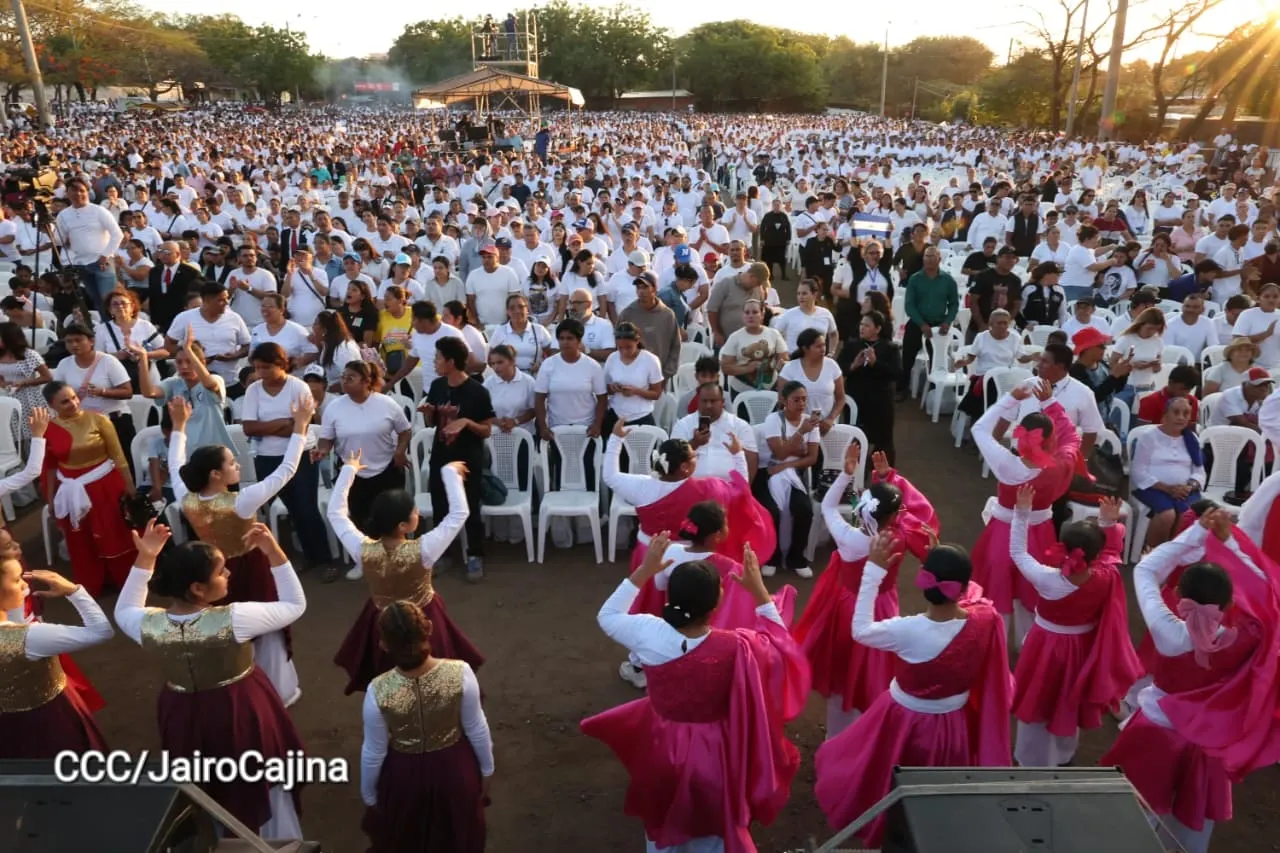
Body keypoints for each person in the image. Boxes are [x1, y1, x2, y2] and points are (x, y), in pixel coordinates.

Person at [580, 533, 809, 853]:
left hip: (661, 745)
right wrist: (759, 592)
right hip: (715, 752)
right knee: (713, 830)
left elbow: (608, 615)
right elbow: (778, 644)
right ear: (717, 601)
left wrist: (645, 571)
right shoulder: (735, 646)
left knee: (662, 822)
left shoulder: (647, 632)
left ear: (671, 596)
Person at [813, 535, 1012, 849]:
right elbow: (975, 598)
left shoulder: (906, 630)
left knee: (883, 779)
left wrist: (873, 571)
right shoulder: (987, 620)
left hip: (902, 721)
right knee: (939, 791)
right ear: (960, 588)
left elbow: (860, 630)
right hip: (951, 724)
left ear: (924, 583)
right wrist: (944, 561)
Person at [114, 520, 307, 840]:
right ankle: (274, 840)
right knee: (259, 777)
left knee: (203, 784)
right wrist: (273, 552)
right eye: (220, 572)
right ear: (198, 589)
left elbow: (124, 609)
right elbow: (295, 605)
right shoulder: (234, 619)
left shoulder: (146, 624)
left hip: (182, 715)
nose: (229, 573)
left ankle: (216, 835)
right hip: (240, 709)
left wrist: (145, 558)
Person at [1101, 512, 1280, 853]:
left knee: (1138, 815)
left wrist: (1197, 532)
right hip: (1208, 740)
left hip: (1155, 730)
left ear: (1179, 594)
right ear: (1229, 604)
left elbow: (1146, 569)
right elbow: (1269, 590)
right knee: (1192, 826)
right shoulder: (1250, 634)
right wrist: (1229, 542)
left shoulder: (1167, 630)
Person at [167, 394, 313, 705]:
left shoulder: (187, 499)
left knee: (226, 627)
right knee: (267, 625)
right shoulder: (242, 501)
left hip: (212, 570)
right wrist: (301, 425)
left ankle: (233, 682)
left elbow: (174, 465)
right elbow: (286, 470)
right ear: (215, 475)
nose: (237, 464)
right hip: (250, 566)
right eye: (231, 463)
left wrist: (179, 426)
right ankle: (279, 691)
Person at [794, 443, 939, 739]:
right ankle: (865, 732)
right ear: (892, 515)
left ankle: (836, 736)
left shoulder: (848, 538)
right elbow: (917, 513)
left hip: (846, 606)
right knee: (873, 671)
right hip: (882, 605)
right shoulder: (899, 537)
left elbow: (829, 507)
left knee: (844, 670)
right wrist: (890, 479)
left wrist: (846, 476)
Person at [329, 450, 483, 693]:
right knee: (435, 666)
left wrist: (349, 469)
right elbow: (459, 514)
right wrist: (450, 473)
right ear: (403, 525)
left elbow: (335, 514)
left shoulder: (362, 550)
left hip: (382, 617)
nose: (418, 514)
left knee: (388, 669)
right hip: (424, 614)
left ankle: (395, 703)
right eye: (414, 512)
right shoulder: (424, 550)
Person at [1008, 486, 1141, 766]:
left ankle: (1030, 757)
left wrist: (1021, 513)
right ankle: (1064, 754)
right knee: (1068, 700)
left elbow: (1018, 553)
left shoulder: (1048, 579)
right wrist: (1108, 523)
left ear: (1063, 546)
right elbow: (1112, 551)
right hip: (1080, 648)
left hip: (1045, 646)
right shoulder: (1107, 575)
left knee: (1038, 699)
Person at [360, 599, 493, 853]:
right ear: (429, 628)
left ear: (384, 645)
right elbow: (476, 727)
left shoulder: (377, 690)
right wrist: (487, 770)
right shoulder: (461, 673)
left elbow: (373, 751)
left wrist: (369, 795)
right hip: (455, 769)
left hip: (403, 777)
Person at [970, 380, 1082, 646]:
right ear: (1050, 439)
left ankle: (993, 647)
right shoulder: (1061, 463)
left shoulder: (1006, 465)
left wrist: (1010, 398)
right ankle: (1028, 648)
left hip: (1002, 534)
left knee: (997, 591)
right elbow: (1072, 436)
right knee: (1031, 591)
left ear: (1020, 435)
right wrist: (1050, 404)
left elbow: (980, 428)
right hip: (1040, 533)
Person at [0, 556, 111, 758]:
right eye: (17, 580)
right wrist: (73, 591)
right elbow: (101, 631)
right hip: (52, 720)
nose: (25, 584)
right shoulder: (30, 637)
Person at [41, 380, 138, 597]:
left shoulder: (98, 419)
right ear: (52, 405)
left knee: (113, 534)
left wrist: (130, 487)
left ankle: (124, 581)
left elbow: (118, 456)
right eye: (65, 402)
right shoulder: (48, 429)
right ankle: (93, 581)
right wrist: (50, 498)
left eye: (74, 397)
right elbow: (48, 467)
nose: (73, 403)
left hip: (104, 486)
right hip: (70, 491)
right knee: (82, 540)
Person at [240, 342, 333, 570]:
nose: (261, 373)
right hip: (267, 456)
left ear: (281, 365)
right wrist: (284, 423)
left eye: (266, 367)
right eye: (258, 368)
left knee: (307, 508)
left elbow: (302, 424)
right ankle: (306, 556)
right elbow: (249, 428)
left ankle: (323, 560)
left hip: (300, 455)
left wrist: (274, 426)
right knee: (291, 509)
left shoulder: (298, 388)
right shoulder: (254, 390)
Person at [420, 337, 494, 581]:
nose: (435, 361)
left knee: (469, 507)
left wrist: (466, 422)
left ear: (451, 361)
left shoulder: (477, 391)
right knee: (440, 506)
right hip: (441, 455)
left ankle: (475, 554)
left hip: (467, 459)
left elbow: (486, 430)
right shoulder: (437, 386)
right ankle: (444, 554)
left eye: (438, 357)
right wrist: (429, 414)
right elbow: (432, 424)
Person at [316, 362, 413, 544]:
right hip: (353, 472)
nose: (344, 381)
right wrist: (322, 451)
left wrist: (400, 451)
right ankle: (365, 559)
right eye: (343, 377)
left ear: (366, 381)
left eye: (350, 378)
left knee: (391, 518)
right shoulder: (335, 407)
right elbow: (326, 438)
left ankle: (398, 558)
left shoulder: (386, 403)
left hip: (387, 470)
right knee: (359, 518)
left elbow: (405, 431)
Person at [754, 381, 820, 578]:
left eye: (804, 400)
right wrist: (800, 439)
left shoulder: (810, 423)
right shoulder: (773, 419)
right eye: (796, 400)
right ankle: (772, 557)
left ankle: (796, 558)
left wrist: (786, 464)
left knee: (804, 510)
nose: (801, 404)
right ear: (784, 401)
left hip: (791, 473)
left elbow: (812, 458)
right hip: (768, 473)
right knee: (771, 511)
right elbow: (780, 452)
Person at [135, 329, 231, 452]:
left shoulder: (216, 379)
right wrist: (143, 358)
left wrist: (189, 350)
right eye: (179, 362)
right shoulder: (174, 383)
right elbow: (149, 392)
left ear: (202, 363)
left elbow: (210, 385)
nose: (184, 366)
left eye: (189, 361)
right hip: (186, 451)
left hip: (214, 452)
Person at [1131, 397, 1205, 551]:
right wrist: (1167, 488)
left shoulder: (1191, 439)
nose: (1181, 417)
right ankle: (1152, 555)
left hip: (1185, 490)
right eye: (1176, 412)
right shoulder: (1149, 437)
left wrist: (1189, 487)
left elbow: (1199, 471)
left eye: (1186, 413)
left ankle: (1175, 556)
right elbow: (1138, 471)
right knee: (1167, 515)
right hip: (1154, 488)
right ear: (1165, 415)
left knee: (1187, 514)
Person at [838, 310, 901, 465]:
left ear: (878, 329)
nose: (862, 328)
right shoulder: (852, 345)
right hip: (856, 399)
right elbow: (838, 369)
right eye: (861, 324)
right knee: (855, 436)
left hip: (881, 401)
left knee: (883, 439)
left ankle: (881, 472)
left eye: (867, 325)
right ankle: (854, 468)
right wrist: (853, 365)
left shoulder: (890, 348)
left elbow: (896, 373)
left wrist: (875, 364)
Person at [55, 176, 125, 312]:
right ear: (67, 193)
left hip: (102, 263)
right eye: (74, 190)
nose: (78, 193)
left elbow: (118, 234)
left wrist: (106, 255)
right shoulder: (63, 215)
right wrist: (50, 233)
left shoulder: (99, 211)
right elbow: (59, 240)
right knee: (97, 302)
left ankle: (116, 330)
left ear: (87, 192)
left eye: (82, 190)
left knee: (108, 301)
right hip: (81, 264)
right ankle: (105, 329)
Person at [899, 247, 958, 400]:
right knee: (907, 357)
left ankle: (933, 391)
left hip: (939, 325)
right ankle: (902, 387)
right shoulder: (915, 279)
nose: (930, 259)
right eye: (927, 256)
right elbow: (909, 305)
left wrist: (947, 321)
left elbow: (953, 304)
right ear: (923, 259)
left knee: (937, 359)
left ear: (939, 259)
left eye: (933, 256)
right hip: (917, 323)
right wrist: (922, 324)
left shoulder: (948, 280)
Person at [955, 309, 1025, 420]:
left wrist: (1033, 357)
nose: (1002, 326)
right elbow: (971, 357)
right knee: (987, 394)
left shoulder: (1015, 338)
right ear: (991, 324)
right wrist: (964, 362)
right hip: (984, 377)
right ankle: (980, 428)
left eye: (1005, 323)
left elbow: (1021, 357)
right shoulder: (981, 337)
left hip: (1005, 377)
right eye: (999, 323)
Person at [777, 328, 846, 436]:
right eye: (818, 346)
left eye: (824, 345)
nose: (823, 349)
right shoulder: (790, 368)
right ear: (805, 349)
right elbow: (782, 400)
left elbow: (841, 398)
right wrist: (801, 423)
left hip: (827, 428)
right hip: (798, 429)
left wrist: (831, 419)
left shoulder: (832, 365)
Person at [601, 321, 664, 438]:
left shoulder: (650, 360)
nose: (624, 351)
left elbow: (656, 394)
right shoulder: (612, 358)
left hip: (641, 417)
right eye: (620, 348)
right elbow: (606, 388)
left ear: (637, 341)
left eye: (629, 347)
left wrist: (636, 391)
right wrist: (613, 388)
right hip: (615, 414)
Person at [721, 299, 787, 396]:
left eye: (755, 312)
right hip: (741, 391)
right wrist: (747, 368)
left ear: (762, 314)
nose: (750, 316)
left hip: (770, 389)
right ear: (743, 315)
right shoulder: (735, 337)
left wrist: (780, 364)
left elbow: (783, 358)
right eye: (747, 312)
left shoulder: (773, 334)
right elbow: (725, 367)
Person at [0, 320, 52, 437]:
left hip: (29, 397)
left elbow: (47, 377)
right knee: (11, 432)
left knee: (32, 431)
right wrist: (3, 383)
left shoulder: (29, 355)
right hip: (6, 395)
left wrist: (25, 382)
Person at [487, 293, 553, 374]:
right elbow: (490, 360)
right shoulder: (500, 331)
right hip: (509, 379)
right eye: (512, 308)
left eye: (521, 307)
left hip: (536, 377)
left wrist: (541, 365)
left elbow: (552, 356)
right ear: (507, 311)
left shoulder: (539, 330)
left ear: (527, 309)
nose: (517, 311)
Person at [770, 278, 837, 352]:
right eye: (798, 293)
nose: (801, 297)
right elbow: (774, 335)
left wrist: (831, 352)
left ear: (814, 294)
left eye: (804, 293)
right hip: (794, 359)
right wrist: (782, 354)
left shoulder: (825, 314)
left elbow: (834, 334)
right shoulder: (789, 314)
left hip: (818, 360)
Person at [1114, 307, 1168, 393]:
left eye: (1156, 329)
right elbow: (1112, 362)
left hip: (1148, 386)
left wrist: (1156, 366)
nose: (1152, 332)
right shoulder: (1126, 339)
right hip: (1127, 385)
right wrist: (1132, 366)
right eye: (1150, 328)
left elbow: (1157, 369)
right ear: (1141, 324)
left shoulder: (1158, 341)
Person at [1232, 282, 1280, 368]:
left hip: (1276, 367)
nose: (1271, 300)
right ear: (1258, 298)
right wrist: (1266, 334)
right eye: (1266, 296)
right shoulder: (1247, 314)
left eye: (1275, 297)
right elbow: (1236, 341)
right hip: (1250, 365)